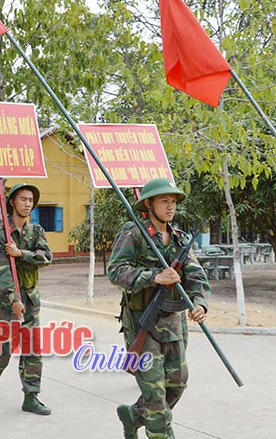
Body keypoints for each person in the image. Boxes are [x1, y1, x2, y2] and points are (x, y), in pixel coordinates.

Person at [108, 178, 210, 439]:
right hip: (142, 323)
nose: (170, 206)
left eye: (173, 201)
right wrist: (154, 276)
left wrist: (199, 303)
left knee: (176, 386)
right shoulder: (134, 234)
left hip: (173, 326)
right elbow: (116, 271)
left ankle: (133, 416)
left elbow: (197, 277)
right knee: (156, 397)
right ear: (149, 204)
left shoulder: (180, 240)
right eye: (164, 200)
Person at [0, 183, 53, 415]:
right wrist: (13, 300)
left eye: (31, 200)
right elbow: (1, 271)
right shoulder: (1, 234)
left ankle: (31, 397)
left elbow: (46, 257)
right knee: (5, 349)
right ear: (12, 202)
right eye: (23, 199)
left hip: (31, 298)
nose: (28, 204)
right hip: (7, 301)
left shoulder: (36, 231)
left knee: (33, 348)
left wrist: (22, 253)